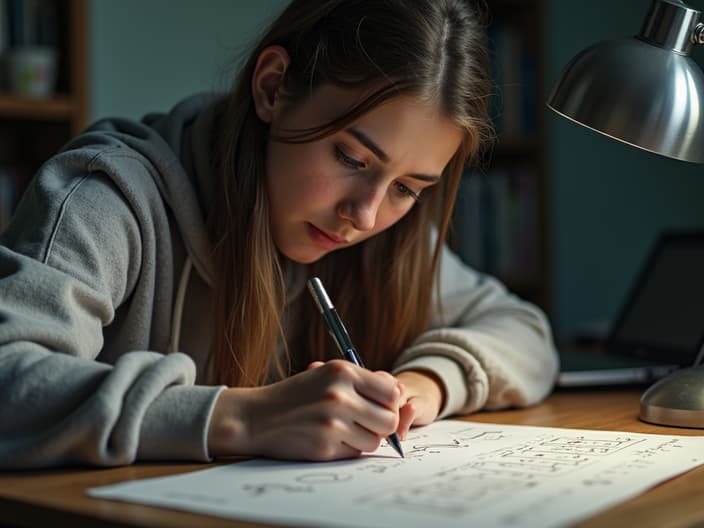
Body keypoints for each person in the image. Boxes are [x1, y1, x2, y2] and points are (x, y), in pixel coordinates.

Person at [0, 0, 558, 469]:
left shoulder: (390, 234)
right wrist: (247, 416)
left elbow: (524, 330)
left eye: (409, 187)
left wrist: (420, 387)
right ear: (273, 87)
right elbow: (10, 382)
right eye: (350, 156)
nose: (363, 216)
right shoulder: (106, 196)